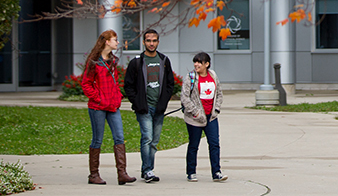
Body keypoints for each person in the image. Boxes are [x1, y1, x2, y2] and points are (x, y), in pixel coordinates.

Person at [81, 29, 136, 186]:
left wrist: (117, 96)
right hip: (98, 107)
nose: (117, 42)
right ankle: (93, 175)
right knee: (97, 140)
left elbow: (115, 82)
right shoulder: (94, 62)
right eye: (115, 39)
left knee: (119, 137)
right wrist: (98, 98)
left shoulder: (112, 61)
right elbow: (86, 84)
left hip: (113, 106)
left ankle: (122, 174)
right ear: (107, 41)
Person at [124, 29, 174, 183]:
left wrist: (163, 104)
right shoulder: (137, 62)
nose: (151, 43)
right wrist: (137, 103)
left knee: (154, 141)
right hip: (143, 108)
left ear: (158, 42)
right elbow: (128, 86)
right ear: (144, 42)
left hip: (159, 108)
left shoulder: (164, 61)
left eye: (154, 40)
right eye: (148, 40)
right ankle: (148, 170)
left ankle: (147, 168)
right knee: (147, 138)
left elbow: (170, 85)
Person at [180, 52, 228, 182]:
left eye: (199, 62)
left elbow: (219, 93)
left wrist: (216, 108)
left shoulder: (213, 75)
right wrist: (195, 112)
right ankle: (191, 172)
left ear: (206, 64)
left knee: (214, 144)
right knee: (194, 145)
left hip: (211, 117)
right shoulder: (190, 77)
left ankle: (216, 172)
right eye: (195, 62)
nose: (196, 64)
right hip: (195, 118)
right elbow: (185, 97)